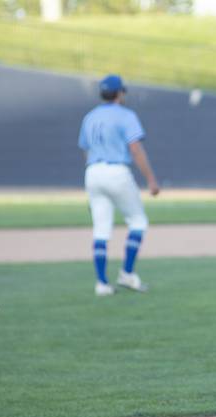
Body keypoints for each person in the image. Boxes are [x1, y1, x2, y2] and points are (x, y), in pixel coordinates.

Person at [78, 74, 160, 296]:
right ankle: (127, 274)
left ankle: (102, 284)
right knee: (138, 221)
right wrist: (151, 179)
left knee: (101, 229)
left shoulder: (90, 117)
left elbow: (86, 149)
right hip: (117, 171)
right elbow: (135, 148)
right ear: (119, 93)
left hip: (93, 172)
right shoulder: (126, 115)